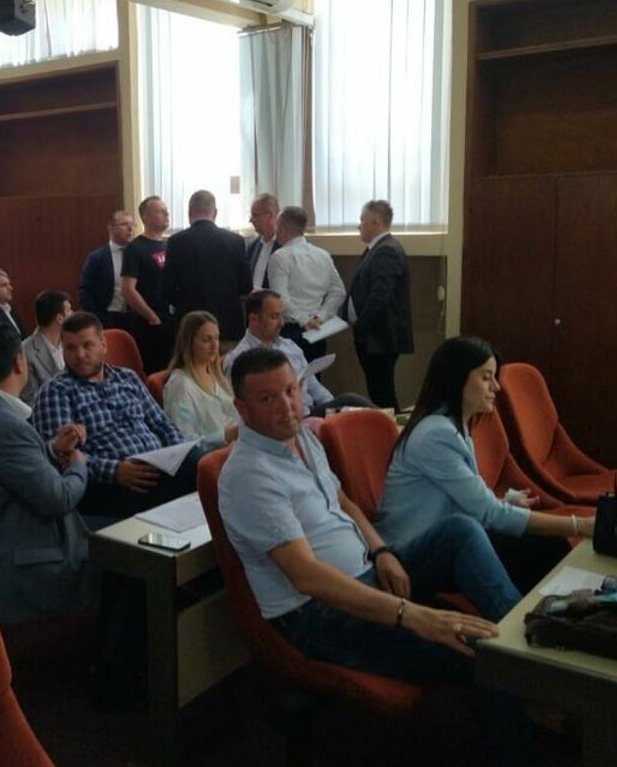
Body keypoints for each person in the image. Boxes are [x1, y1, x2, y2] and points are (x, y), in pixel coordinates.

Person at [218, 347, 534, 766]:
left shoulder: (301, 438)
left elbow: (343, 501)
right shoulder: (250, 476)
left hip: (368, 571)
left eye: (291, 390)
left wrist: (381, 549)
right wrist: (412, 614)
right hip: (319, 614)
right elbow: (307, 577)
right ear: (241, 408)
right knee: (481, 656)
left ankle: (527, 645)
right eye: (267, 398)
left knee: (460, 530)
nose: (287, 406)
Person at [376, 336, 587, 592]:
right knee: (540, 547)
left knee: (544, 545)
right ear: (457, 379)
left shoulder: (455, 425)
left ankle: (554, 607)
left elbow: (466, 502)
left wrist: (504, 503)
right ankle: (528, 613)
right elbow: (488, 513)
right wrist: (580, 525)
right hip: (415, 554)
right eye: (487, 378)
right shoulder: (436, 434)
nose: (496, 386)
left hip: (447, 536)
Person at [0, 322, 97, 624]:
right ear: (19, 362)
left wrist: (52, 449)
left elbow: (7, 470)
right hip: (20, 567)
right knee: (125, 559)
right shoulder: (8, 427)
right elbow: (59, 498)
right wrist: (79, 464)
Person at [32, 311, 201, 519]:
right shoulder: (55, 391)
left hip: (157, 465)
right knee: (203, 474)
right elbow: (62, 457)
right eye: (70, 348)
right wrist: (115, 471)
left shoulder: (127, 377)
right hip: (109, 483)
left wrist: (176, 455)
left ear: (103, 345)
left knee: (200, 463)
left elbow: (161, 423)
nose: (80, 355)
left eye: (87, 345)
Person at [224, 290, 372, 417]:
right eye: (274, 317)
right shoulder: (240, 359)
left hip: (312, 411)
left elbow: (314, 386)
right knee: (352, 401)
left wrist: (334, 410)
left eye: (282, 316)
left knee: (355, 412)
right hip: (287, 418)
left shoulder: (289, 346)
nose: (281, 323)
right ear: (254, 319)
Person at [343, 200, 412, 411]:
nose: (359, 225)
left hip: (378, 338)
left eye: (362, 220)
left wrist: (361, 327)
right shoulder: (377, 249)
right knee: (379, 392)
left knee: (383, 396)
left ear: (375, 221)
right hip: (374, 337)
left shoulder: (386, 250)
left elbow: (379, 297)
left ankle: (390, 430)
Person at [162, 189, 250, 343]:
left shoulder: (176, 241)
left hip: (191, 327)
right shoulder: (236, 241)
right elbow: (245, 286)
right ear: (215, 213)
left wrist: (184, 301)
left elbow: (167, 289)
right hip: (228, 325)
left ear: (190, 211)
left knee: (192, 359)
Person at [267, 205, 346, 361]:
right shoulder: (323, 255)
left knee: (289, 375)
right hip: (318, 330)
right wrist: (320, 317)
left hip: (289, 332)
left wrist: (304, 321)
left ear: (282, 230)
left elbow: (280, 298)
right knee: (314, 373)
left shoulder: (280, 257)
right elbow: (339, 291)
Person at [163, 311, 240, 450]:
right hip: (215, 455)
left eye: (216, 338)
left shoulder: (216, 376)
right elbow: (184, 441)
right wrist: (225, 436)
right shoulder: (180, 386)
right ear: (189, 343)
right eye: (206, 340)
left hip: (238, 446)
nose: (214, 346)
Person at [122, 196, 173, 373]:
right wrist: (152, 317)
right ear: (145, 217)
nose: (166, 214)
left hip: (170, 321)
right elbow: (128, 289)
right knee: (154, 372)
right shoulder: (135, 248)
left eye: (166, 210)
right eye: (160, 211)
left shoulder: (170, 245)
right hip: (149, 325)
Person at [78, 211, 134, 331]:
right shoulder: (96, 257)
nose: (130, 229)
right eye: (124, 224)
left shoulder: (137, 254)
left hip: (134, 317)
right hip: (107, 317)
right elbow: (84, 291)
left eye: (132, 224)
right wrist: (97, 318)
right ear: (111, 228)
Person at [20, 290, 72, 403]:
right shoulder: (26, 352)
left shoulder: (71, 342)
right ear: (60, 318)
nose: (73, 314)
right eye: (69, 310)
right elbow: (31, 399)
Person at [245, 193, 280, 290]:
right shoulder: (252, 246)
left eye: (255, 215)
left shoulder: (285, 246)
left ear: (270, 215)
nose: (251, 220)